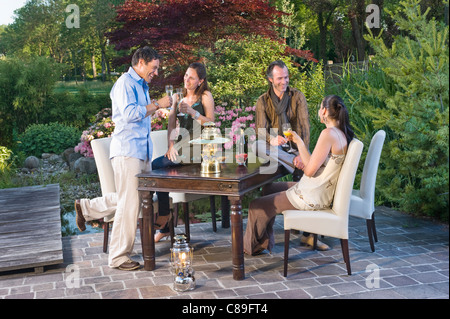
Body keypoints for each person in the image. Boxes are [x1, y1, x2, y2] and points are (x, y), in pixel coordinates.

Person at [74, 46, 172, 271]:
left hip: (140, 152)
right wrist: (158, 104)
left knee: (130, 200)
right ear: (141, 63)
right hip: (128, 152)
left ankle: (86, 208)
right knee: (129, 203)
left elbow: (140, 114)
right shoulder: (125, 84)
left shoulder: (141, 85)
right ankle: (118, 257)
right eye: (153, 68)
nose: (156, 73)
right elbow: (129, 115)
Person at [244, 95, 355, 255]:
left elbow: (309, 171)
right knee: (269, 190)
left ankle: (250, 248)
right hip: (318, 189)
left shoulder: (328, 133)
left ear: (324, 111)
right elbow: (315, 167)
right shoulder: (341, 133)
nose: (318, 111)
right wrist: (299, 143)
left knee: (256, 205)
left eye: (319, 108)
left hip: (313, 195)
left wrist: (299, 143)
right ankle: (263, 243)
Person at [254, 60, 319, 247]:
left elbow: (305, 128)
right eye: (280, 78)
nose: (284, 81)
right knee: (256, 145)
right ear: (270, 79)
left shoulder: (297, 96)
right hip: (275, 150)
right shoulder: (262, 101)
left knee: (302, 179)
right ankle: (295, 164)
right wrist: (271, 140)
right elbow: (260, 130)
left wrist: (302, 154)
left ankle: (308, 232)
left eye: (287, 77)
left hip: (295, 148)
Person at [152, 62, 215, 242]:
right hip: (181, 147)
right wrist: (170, 145)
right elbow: (171, 123)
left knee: (157, 166)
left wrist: (193, 114)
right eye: (186, 75)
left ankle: (164, 220)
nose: (187, 79)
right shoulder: (178, 97)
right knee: (159, 167)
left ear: (200, 81)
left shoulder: (205, 96)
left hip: (199, 147)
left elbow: (211, 123)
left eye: (192, 77)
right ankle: (164, 220)